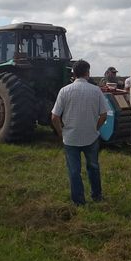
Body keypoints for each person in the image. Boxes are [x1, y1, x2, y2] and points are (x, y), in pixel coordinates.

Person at [51, 60, 109, 205]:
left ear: (73, 73)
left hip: (70, 138)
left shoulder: (64, 91)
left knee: (74, 171)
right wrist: (95, 128)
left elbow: (54, 117)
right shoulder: (96, 91)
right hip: (91, 136)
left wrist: (60, 132)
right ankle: (96, 195)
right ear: (87, 73)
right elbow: (104, 114)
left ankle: (79, 201)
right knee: (93, 167)